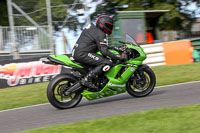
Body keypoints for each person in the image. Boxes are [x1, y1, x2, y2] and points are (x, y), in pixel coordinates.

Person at [72, 15, 127, 90]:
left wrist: (116, 48)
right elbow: (104, 51)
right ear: (103, 24)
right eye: (108, 26)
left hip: (78, 52)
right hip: (83, 54)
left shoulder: (92, 29)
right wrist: (117, 57)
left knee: (102, 60)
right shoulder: (100, 33)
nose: (110, 28)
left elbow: (101, 46)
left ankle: (95, 79)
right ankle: (87, 80)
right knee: (107, 63)